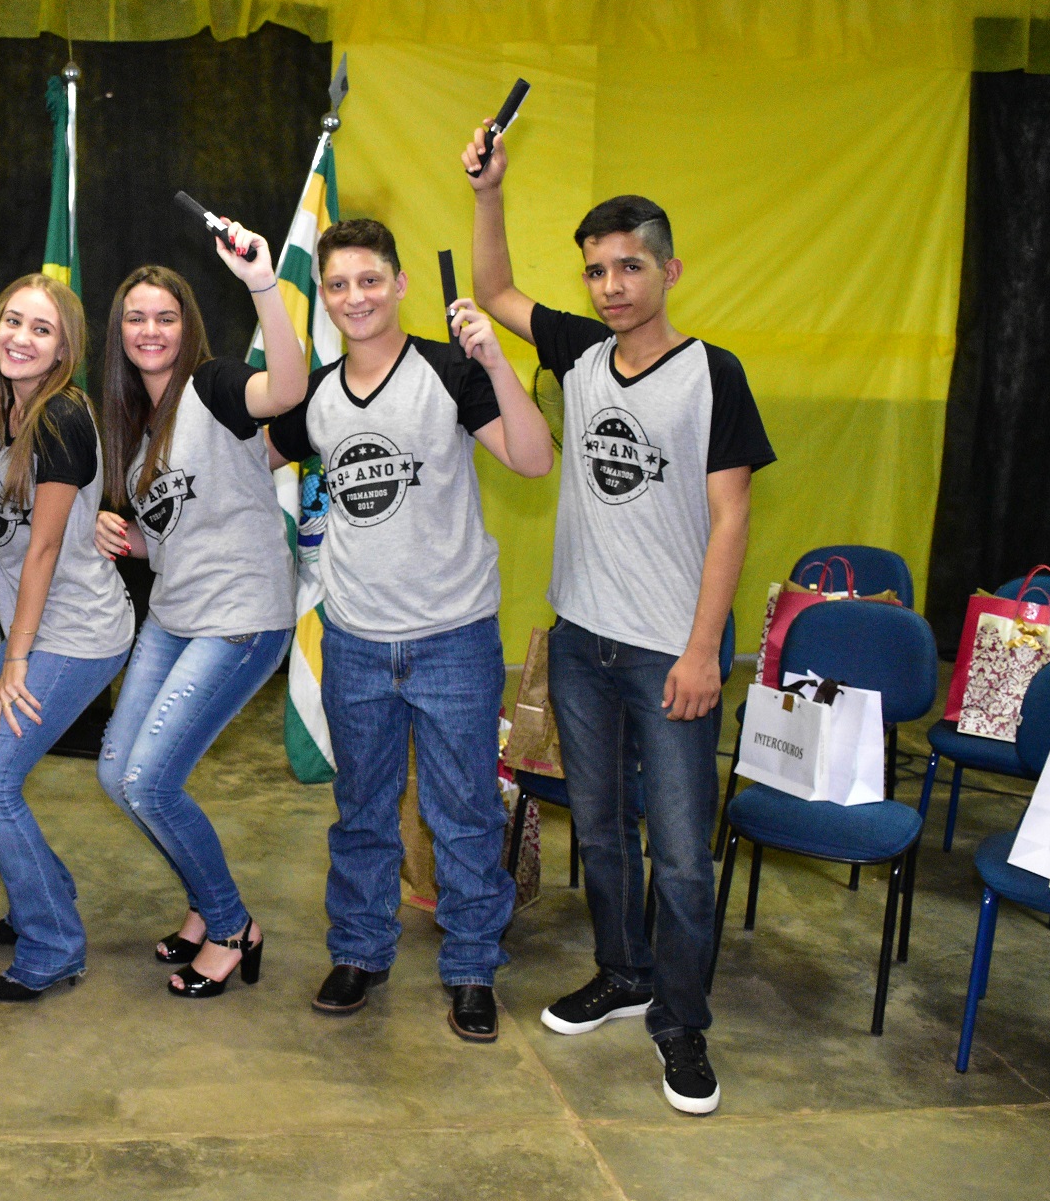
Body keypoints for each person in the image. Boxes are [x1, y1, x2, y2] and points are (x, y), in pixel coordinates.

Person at [466, 123, 773, 1115]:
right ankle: (622, 969)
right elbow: (497, 287)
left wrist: (699, 653)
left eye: (627, 266)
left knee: (680, 852)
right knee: (597, 831)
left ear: (667, 268)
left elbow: (730, 517)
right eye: (595, 270)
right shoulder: (579, 352)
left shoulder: (711, 373)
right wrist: (488, 190)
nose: (609, 286)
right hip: (581, 642)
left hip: (666, 653)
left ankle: (679, 1024)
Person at [268, 218, 553, 1040]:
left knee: (462, 812)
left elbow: (533, 460)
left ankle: (470, 964)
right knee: (361, 809)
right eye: (337, 285)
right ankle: (360, 948)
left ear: (397, 284)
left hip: (454, 638)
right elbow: (258, 460)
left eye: (368, 279)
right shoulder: (317, 394)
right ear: (323, 298)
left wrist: (497, 359)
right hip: (355, 640)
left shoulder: (450, 368)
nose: (354, 296)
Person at [0, 169, 134, 1004]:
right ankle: (49, 886)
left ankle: (54, 941)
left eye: (40, 329)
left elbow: (39, 552)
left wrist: (12, 660)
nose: (18, 336)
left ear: (64, 347)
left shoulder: (65, 416)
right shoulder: (5, 389)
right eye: (11, 320)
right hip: (33, 630)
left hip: (74, 633)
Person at [94, 234, 308, 999]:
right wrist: (119, 535)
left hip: (241, 618)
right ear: (118, 333)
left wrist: (260, 285)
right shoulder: (134, 422)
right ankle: (201, 901)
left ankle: (230, 925)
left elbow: (286, 388)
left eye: (166, 317)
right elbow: (168, 539)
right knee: (119, 775)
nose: (151, 330)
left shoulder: (215, 388)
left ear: (187, 328)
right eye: (136, 319)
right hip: (177, 614)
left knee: (152, 780)